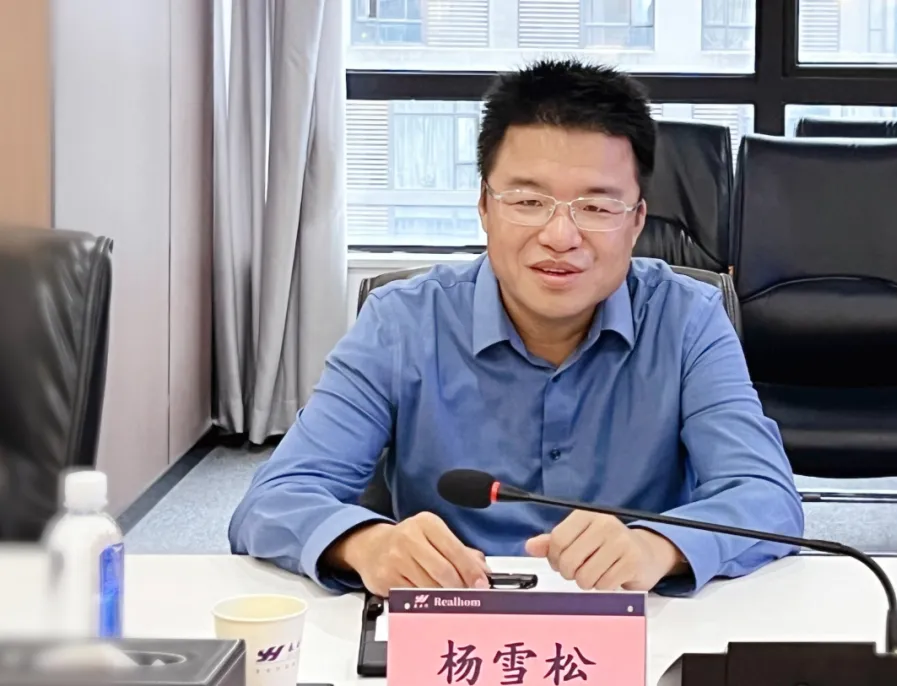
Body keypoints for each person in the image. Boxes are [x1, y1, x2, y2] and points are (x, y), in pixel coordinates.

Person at [228, 58, 804, 598]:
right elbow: (274, 500)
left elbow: (766, 498)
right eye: (528, 201)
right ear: (484, 207)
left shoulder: (688, 319)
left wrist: (657, 547)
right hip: (451, 623)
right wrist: (366, 544)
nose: (560, 237)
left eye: (597, 208)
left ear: (636, 223)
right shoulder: (401, 322)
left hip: (634, 622)